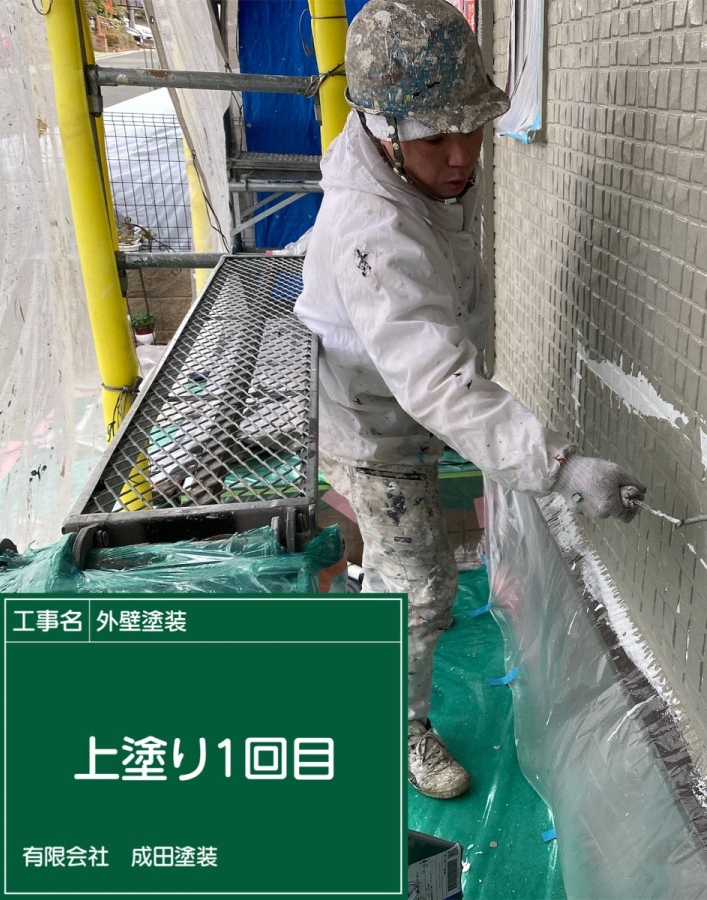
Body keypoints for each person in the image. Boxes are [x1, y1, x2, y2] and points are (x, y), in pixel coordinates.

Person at [294, 0, 646, 800]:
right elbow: (436, 381)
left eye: (473, 129)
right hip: (369, 423)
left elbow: (438, 363)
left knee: (397, 566)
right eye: (435, 139)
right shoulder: (373, 229)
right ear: (384, 129)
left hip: (397, 398)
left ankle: (371, 598)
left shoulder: (416, 171)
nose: (460, 156)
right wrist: (561, 468)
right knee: (422, 584)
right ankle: (396, 726)